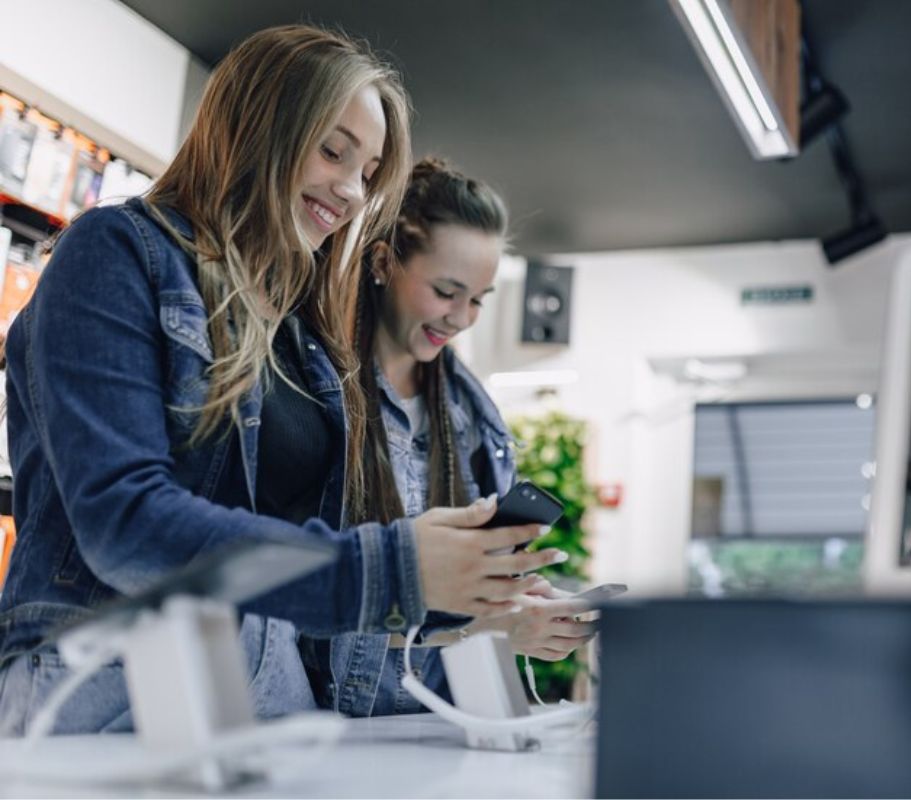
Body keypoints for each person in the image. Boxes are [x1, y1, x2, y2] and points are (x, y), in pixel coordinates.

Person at [0, 25, 563, 735]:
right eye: (334, 150)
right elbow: (126, 524)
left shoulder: (303, 335)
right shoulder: (117, 254)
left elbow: (297, 577)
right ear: (258, 125)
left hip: (263, 694)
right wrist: (394, 567)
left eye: (369, 171)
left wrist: (465, 599)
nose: (353, 191)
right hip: (105, 684)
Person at [304, 158, 596, 715]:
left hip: (435, 731)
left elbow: (466, 607)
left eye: (479, 299)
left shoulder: (474, 421)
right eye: (446, 291)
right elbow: (299, 610)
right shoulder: (312, 395)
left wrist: (516, 607)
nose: (462, 318)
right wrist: (485, 626)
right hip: (321, 730)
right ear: (385, 262)